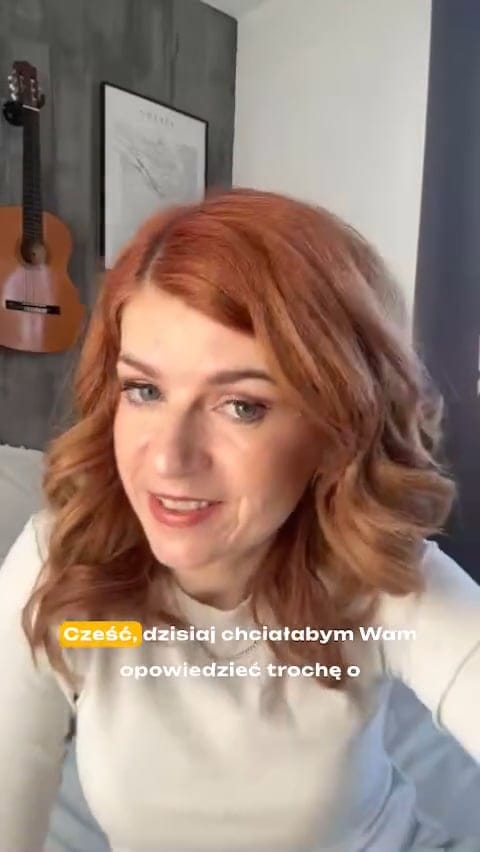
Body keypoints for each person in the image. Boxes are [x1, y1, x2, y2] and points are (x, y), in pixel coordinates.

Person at [0, 187, 479, 852]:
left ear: (335, 426)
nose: (167, 460)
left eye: (242, 406)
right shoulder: (65, 563)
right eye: (144, 390)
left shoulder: (379, 576)